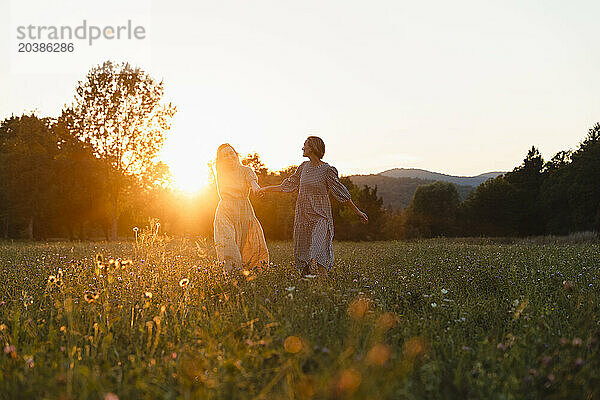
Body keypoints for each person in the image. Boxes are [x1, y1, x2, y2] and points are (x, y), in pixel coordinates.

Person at [261, 136, 368, 276]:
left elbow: (341, 194)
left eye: (305, 145)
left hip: (321, 216)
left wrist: (358, 211)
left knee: (319, 249)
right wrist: (266, 188)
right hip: (303, 216)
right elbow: (287, 186)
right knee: (303, 250)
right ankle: (306, 284)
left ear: (312, 148)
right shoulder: (303, 167)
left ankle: (322, 285)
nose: (302, 148)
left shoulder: (327, 170)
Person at [213, 143, 269, 271]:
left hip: (244, 210)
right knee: (228, 244)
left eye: (231, 153)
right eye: (225, 155)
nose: (229, 156)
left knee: (249, 244)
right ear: (221, 160)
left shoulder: (246, 170)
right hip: (225, 210)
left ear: (236, 154)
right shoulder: (220, 172)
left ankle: (249, 275)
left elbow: (253, 182)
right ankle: (232, 275)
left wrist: (256, 189)